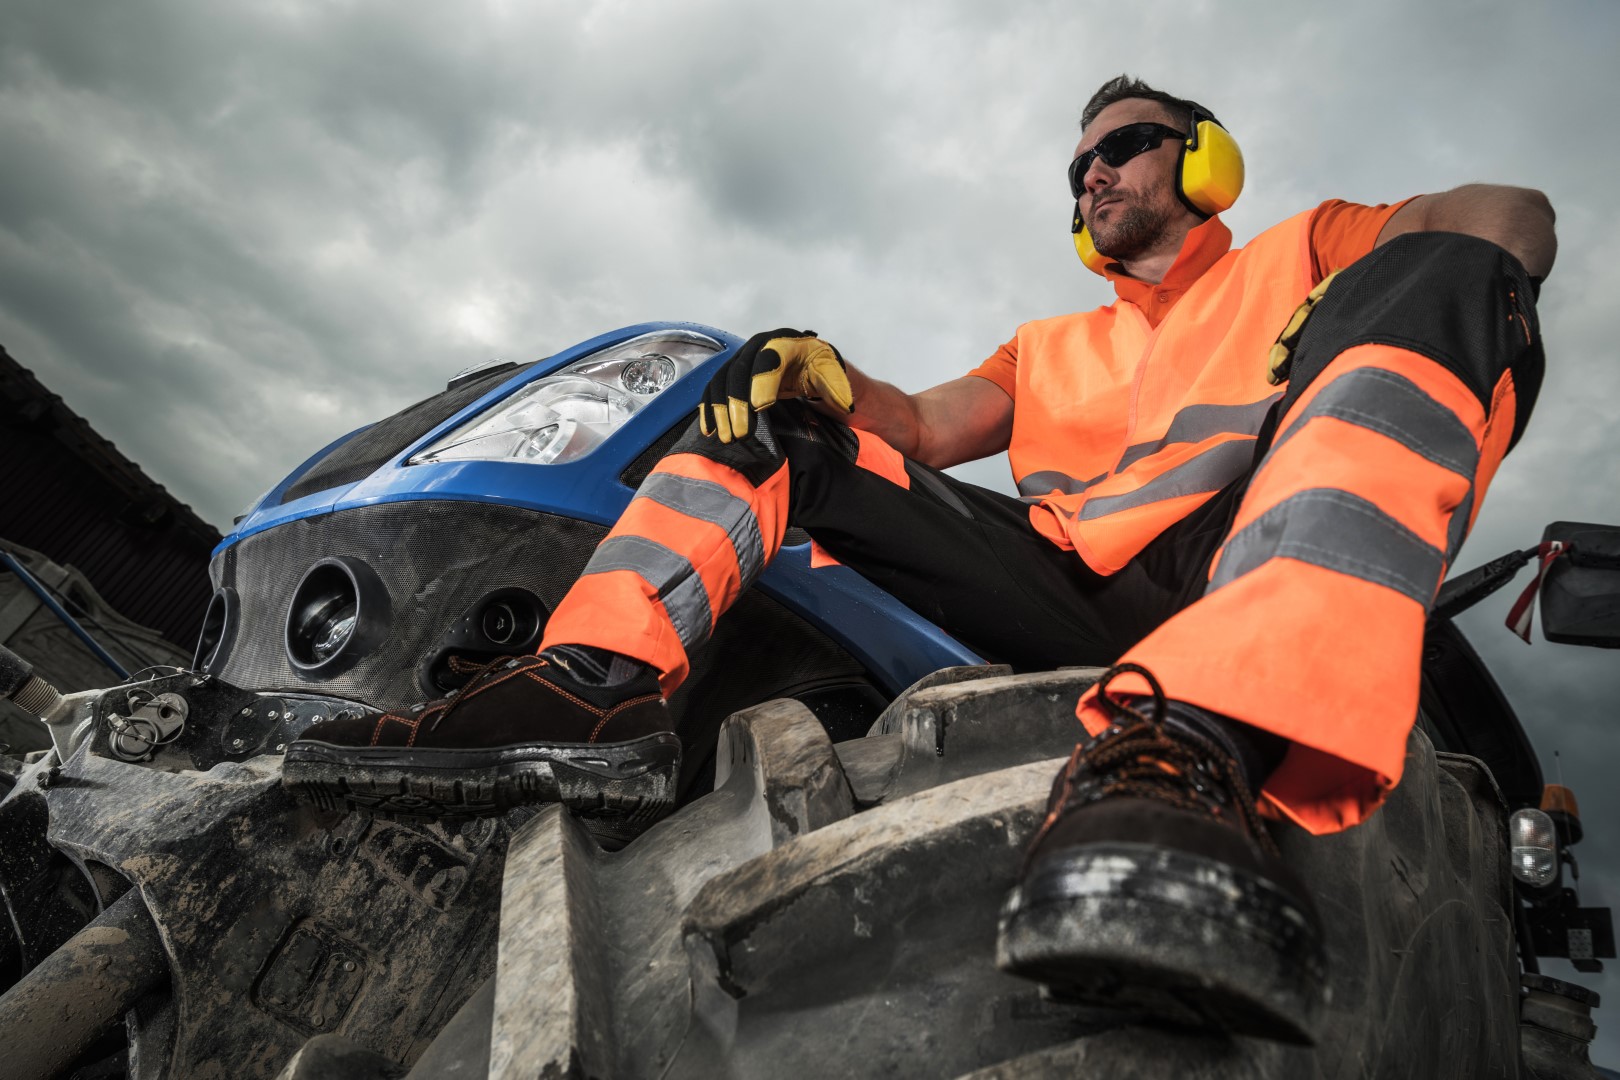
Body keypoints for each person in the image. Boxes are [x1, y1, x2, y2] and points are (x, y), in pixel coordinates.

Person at [284, 75, 1554, 1041]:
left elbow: (1509, 219)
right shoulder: (1045, 347)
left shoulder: (1313, 248)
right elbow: (926, 429)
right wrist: (823, 366)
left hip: (1237, 575)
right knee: (782, 429)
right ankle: (589, 688)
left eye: (1120, 147)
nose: (1091, 179)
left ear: (1205, 161)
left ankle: (1202, 753)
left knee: (1453, 276)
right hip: (1062, 585)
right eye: (1076, 168)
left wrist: (1355, 296)